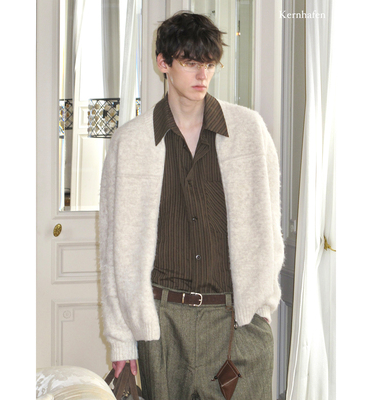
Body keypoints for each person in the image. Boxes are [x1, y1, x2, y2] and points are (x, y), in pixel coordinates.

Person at [99, 11, 284, 400]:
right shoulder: (130, 143)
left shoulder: (249, 131)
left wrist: (261, 309)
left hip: (236, 322)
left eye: (210, 64)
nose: (203, 74)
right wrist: (121, 341)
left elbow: (270, 226)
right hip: (163, 324)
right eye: (190, 62)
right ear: (163, 63)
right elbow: (114, 251)